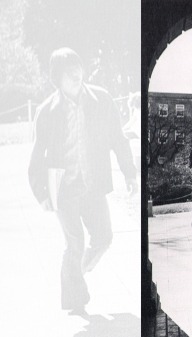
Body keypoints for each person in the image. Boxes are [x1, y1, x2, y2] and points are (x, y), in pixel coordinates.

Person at [28, 47, 138, 314]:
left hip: (93, 185)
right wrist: (41, 193)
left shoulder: (101, 100)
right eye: (68, 71)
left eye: (77, 67)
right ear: (57, 78)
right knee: (74, 242)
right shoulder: (47, 111)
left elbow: (118, 139)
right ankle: (74, 300)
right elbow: (36, 160)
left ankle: (76, 274)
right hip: (64, 189)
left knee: (104, 237)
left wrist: (129, 172)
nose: (76, 74)